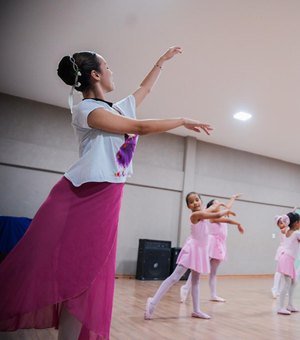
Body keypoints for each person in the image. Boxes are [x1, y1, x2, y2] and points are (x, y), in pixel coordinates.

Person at [0, 47, 213, 339]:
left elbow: (144, 90)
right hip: (83, 196)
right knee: (75, 268)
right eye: (108, 67)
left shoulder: (114, 108)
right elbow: (138, 126)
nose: (113, 72)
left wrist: (160, 63)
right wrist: (181, 120)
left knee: (90, 275)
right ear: (96, 75)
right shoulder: (86, 110)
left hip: (107, 196)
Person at [144, 192, 235, 320]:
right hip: (192, 249)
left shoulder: (202, 211)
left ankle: (196, 310)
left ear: (201, 201)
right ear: (188, 206)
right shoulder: (196, 215)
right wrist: (225, 210)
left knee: (196, 281)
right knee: (174, 277)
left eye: (197, 200)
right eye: (191, 202)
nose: (195, 203)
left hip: (201, 251)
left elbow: (210, 209)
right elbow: (215, 213)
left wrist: (220, 204)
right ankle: (152, 303)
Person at [180, 194, 244, 303]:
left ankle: (213, 295)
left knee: (213, 272)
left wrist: (232, 197)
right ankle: (186, 288)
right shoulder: (212, 217)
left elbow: (227, 208)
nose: (218, 204)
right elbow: (226, 220)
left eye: (219, 203)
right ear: (211, 206)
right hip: (211, 244)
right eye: (215, 203)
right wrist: (238, 223)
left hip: (220, 245)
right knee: (197, 268)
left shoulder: (218, 214)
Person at [276, 212, 300, 315]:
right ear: (296, 223)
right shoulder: (296, 233)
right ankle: (280, 307)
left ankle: (290, 305)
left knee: (294, 282)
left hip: (287, 259)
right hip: (287, 259)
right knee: (287, 283)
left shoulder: (288, 231)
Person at [271, 214, 289, 299]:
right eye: (280, 223)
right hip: (282, 251)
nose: (282, 223)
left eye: (283, 222)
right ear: (278, 225)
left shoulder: (287, 228)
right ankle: (274, 290)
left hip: (288, 252)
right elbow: (287, 229)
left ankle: (280, 290)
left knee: (284, 273)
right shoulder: (283, 230)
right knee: (279, 272)